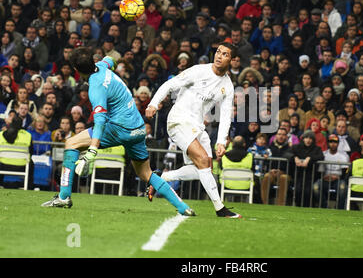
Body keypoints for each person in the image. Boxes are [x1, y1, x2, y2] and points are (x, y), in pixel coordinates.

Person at [41, 48, 195, 217]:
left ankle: (64, 197)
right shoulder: (103, 65)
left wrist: (92, 150)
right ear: (93, 61)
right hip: (138, 128)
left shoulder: (95, 87)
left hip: (119, 128)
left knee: (71, 143)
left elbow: (99, 120)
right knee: (145, 173)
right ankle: (182, 207)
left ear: (77, 71)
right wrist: (111, 62)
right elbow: (112, 57)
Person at [145, 42, 241, 218]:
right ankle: (220, 209)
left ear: (233, 60)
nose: (219, 56)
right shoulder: (198, 71)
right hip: (178, 120)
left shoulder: (227, 85)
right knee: (203, 160)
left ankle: (162, 178)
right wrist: (153, 103)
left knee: (204, 170)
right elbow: (170, 85)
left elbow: (226, 114)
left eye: (225, 54)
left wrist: (221, 141)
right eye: (218, 52)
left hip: (197, 126)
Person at [313, 134, 349, 209]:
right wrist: (323, 176)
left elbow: (345, 172)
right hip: (325, 179)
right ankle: (325, 207)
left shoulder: (343, 156)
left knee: (343, 187)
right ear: (328, 143)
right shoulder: (323, 154)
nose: (333, 144)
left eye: (335, 142)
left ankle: (339, 208)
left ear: (338, 143)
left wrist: (337, 177)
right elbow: (319, 171)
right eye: (331, 142)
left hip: (338, 179)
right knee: (315, 187)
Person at [291, 130, 324, 207]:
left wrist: (310, 158)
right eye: (306, 138)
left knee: (308, 192)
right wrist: (294, 158)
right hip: (298, 175)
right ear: (303, 138)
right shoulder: (296, 147)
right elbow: (287, 154)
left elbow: (320, 156)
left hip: (311, 176)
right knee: (298, 190)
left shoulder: (317, 149)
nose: (308, 140)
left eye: (310, 138)